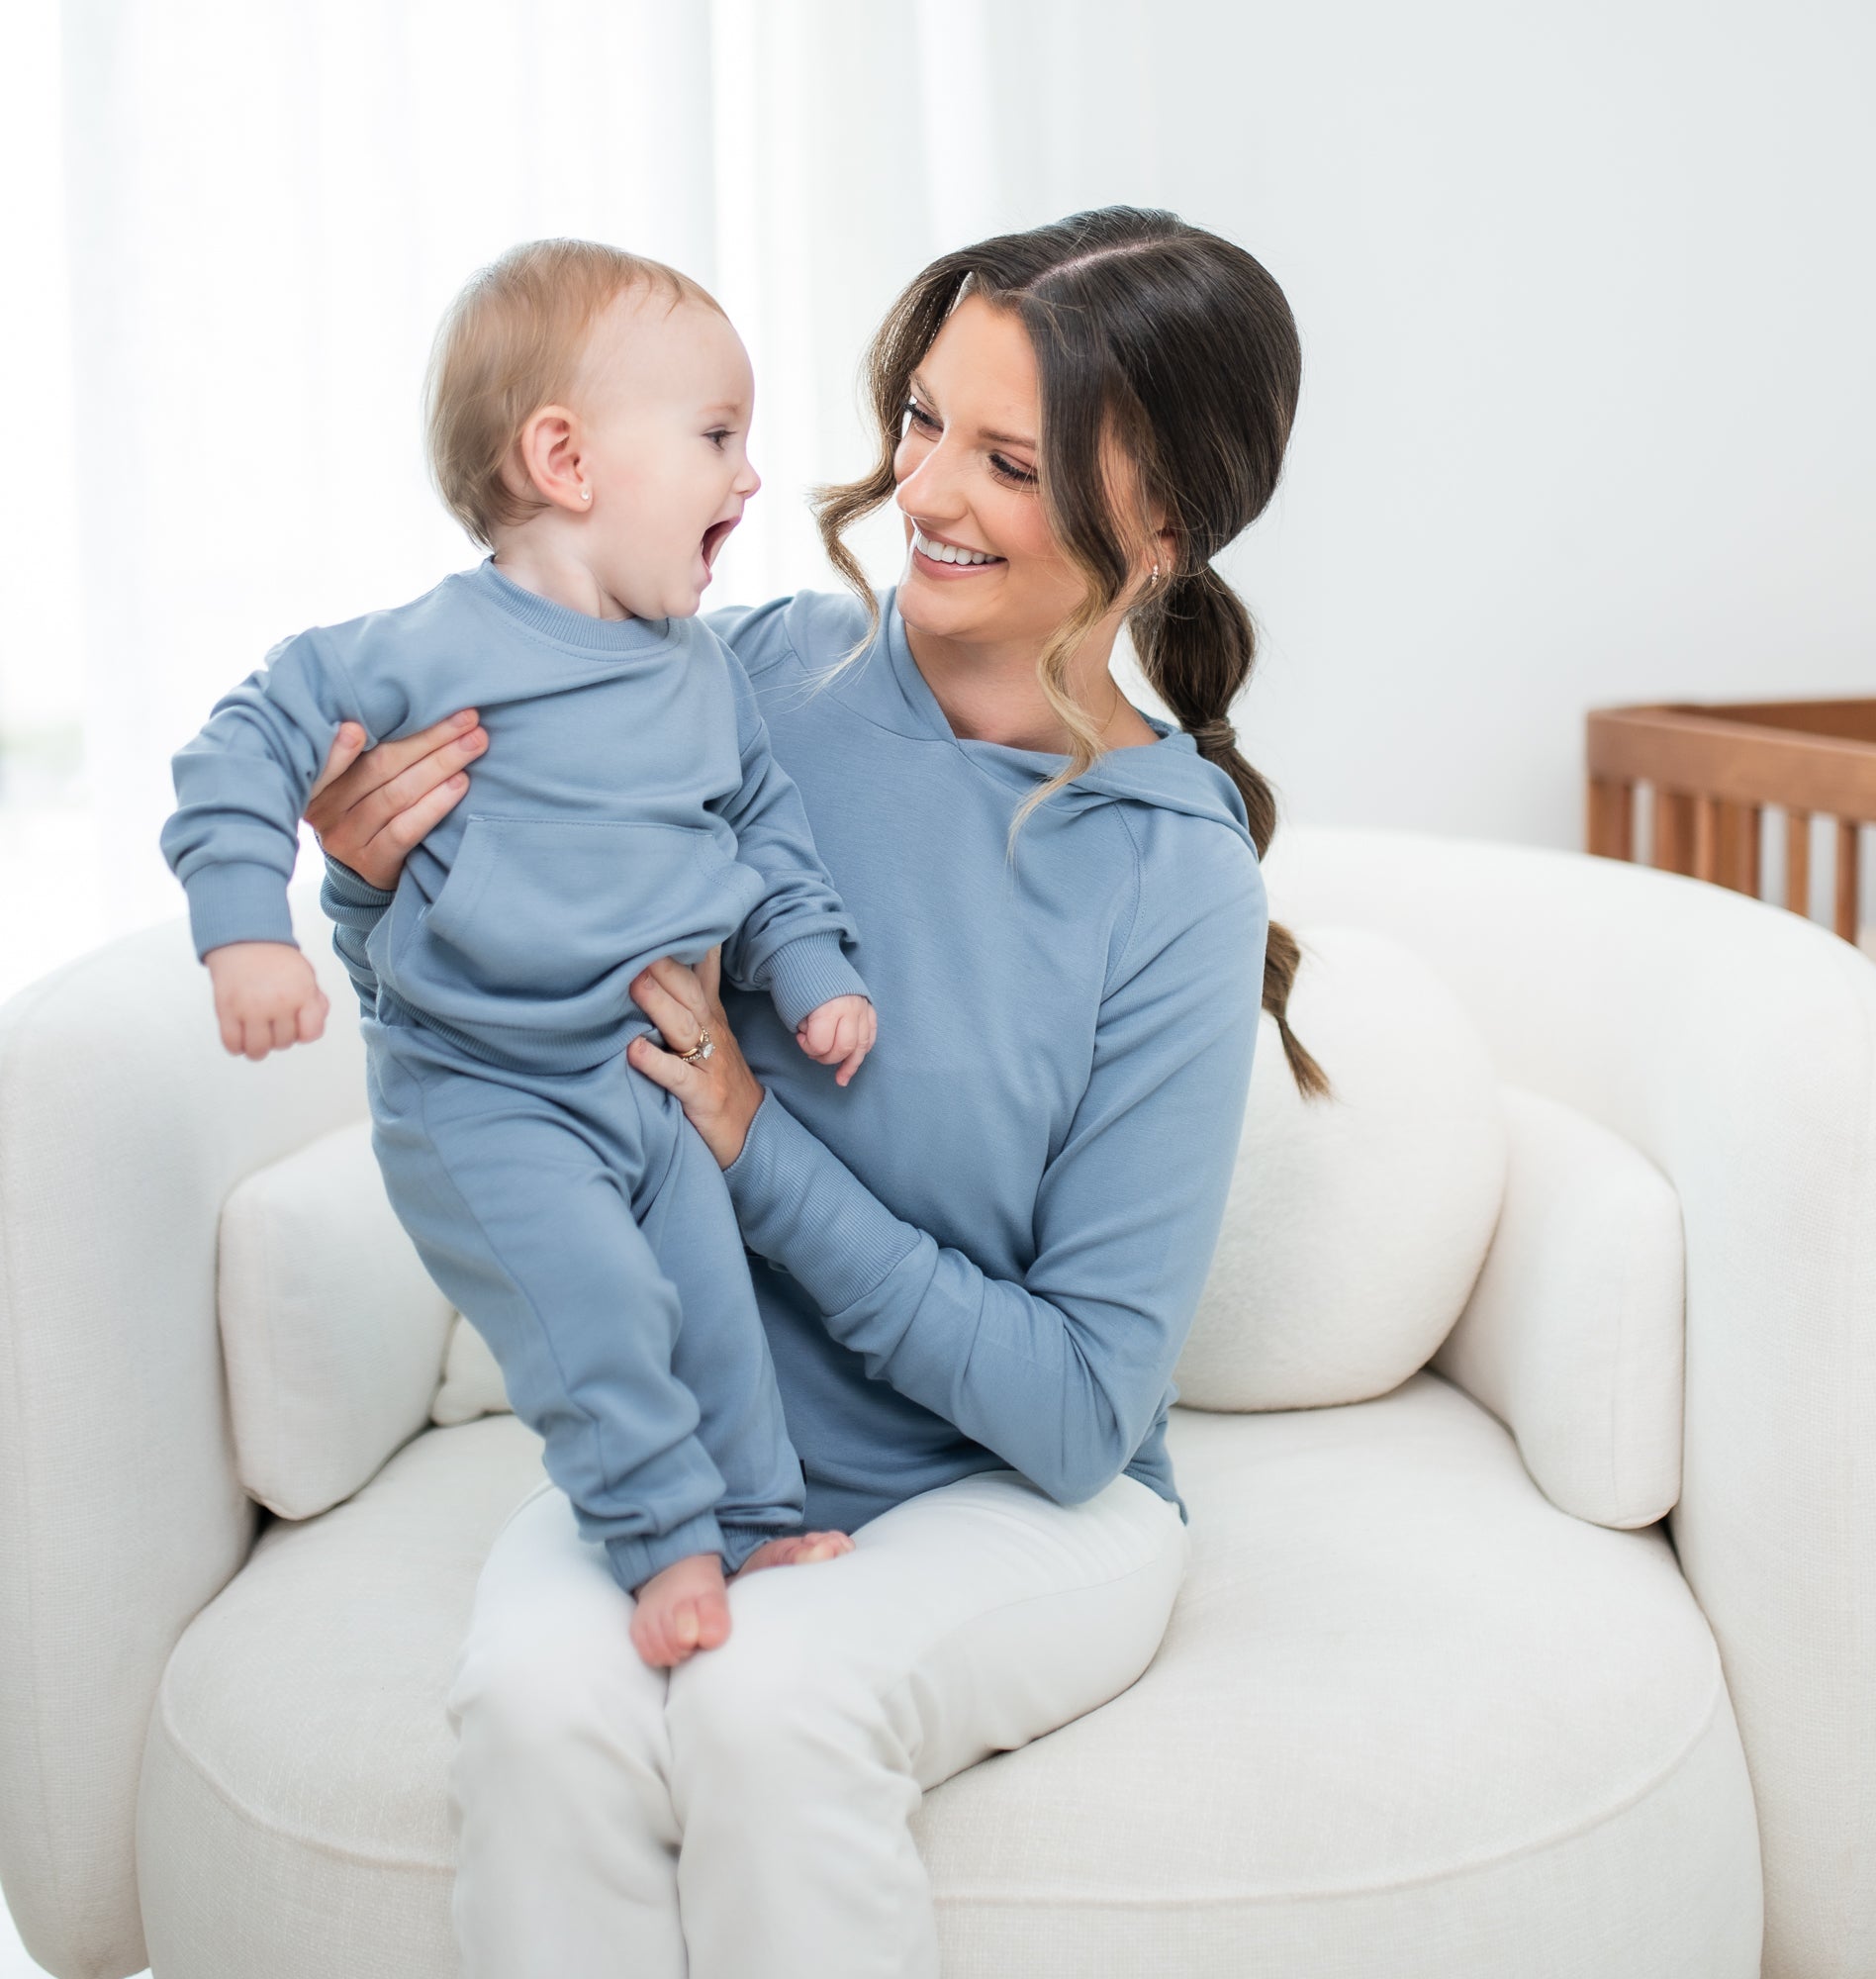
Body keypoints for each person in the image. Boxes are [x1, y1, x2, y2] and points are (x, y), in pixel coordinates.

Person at [307, 206, 1326, 1978]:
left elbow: (1083, 1408)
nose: (921, 489)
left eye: (1006, 459)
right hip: (698, 1446)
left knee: (768, 1710)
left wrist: (754, 1144)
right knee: (543, 1719)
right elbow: (497, 999)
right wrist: (372, 883)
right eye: (924, 419)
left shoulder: (1172, 875)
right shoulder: (737, 681)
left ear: (1159, 529)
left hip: (1016, 1502)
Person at [159, 238, 878, 1671]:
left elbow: (767, 832)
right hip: (485, 1093)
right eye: (719, 438)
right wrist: (248, 925)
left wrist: (812, 970)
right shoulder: (424, 649)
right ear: (565, 458)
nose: (750, 481)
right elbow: (240, 742)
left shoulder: (704, 673)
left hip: (645, 1080)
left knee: (711, 1312)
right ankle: (663, 1540)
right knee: (601, 1313)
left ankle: (749, 1515)